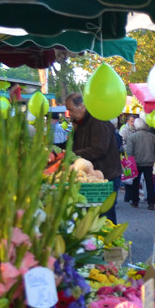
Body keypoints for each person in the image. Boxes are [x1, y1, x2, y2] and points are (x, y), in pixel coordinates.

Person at [64, 93, 123, 224]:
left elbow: (98, 149)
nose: (70, 114)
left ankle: (109, 243)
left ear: (82, 106)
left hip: (107, 175)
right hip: (91, 175)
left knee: (105, 215)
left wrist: (72, 155)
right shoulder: (80, 124)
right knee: (90, 215)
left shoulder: (98, 121)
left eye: (71, 110)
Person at [124, 117, 155, 210]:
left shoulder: (132, 137)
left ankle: (135, 201)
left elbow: (129, 152)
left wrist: (128, 165)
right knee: (149, 183)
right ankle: (151, 202)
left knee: (135, 182)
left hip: (136, 163)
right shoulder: (152, 137)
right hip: (149, 163)